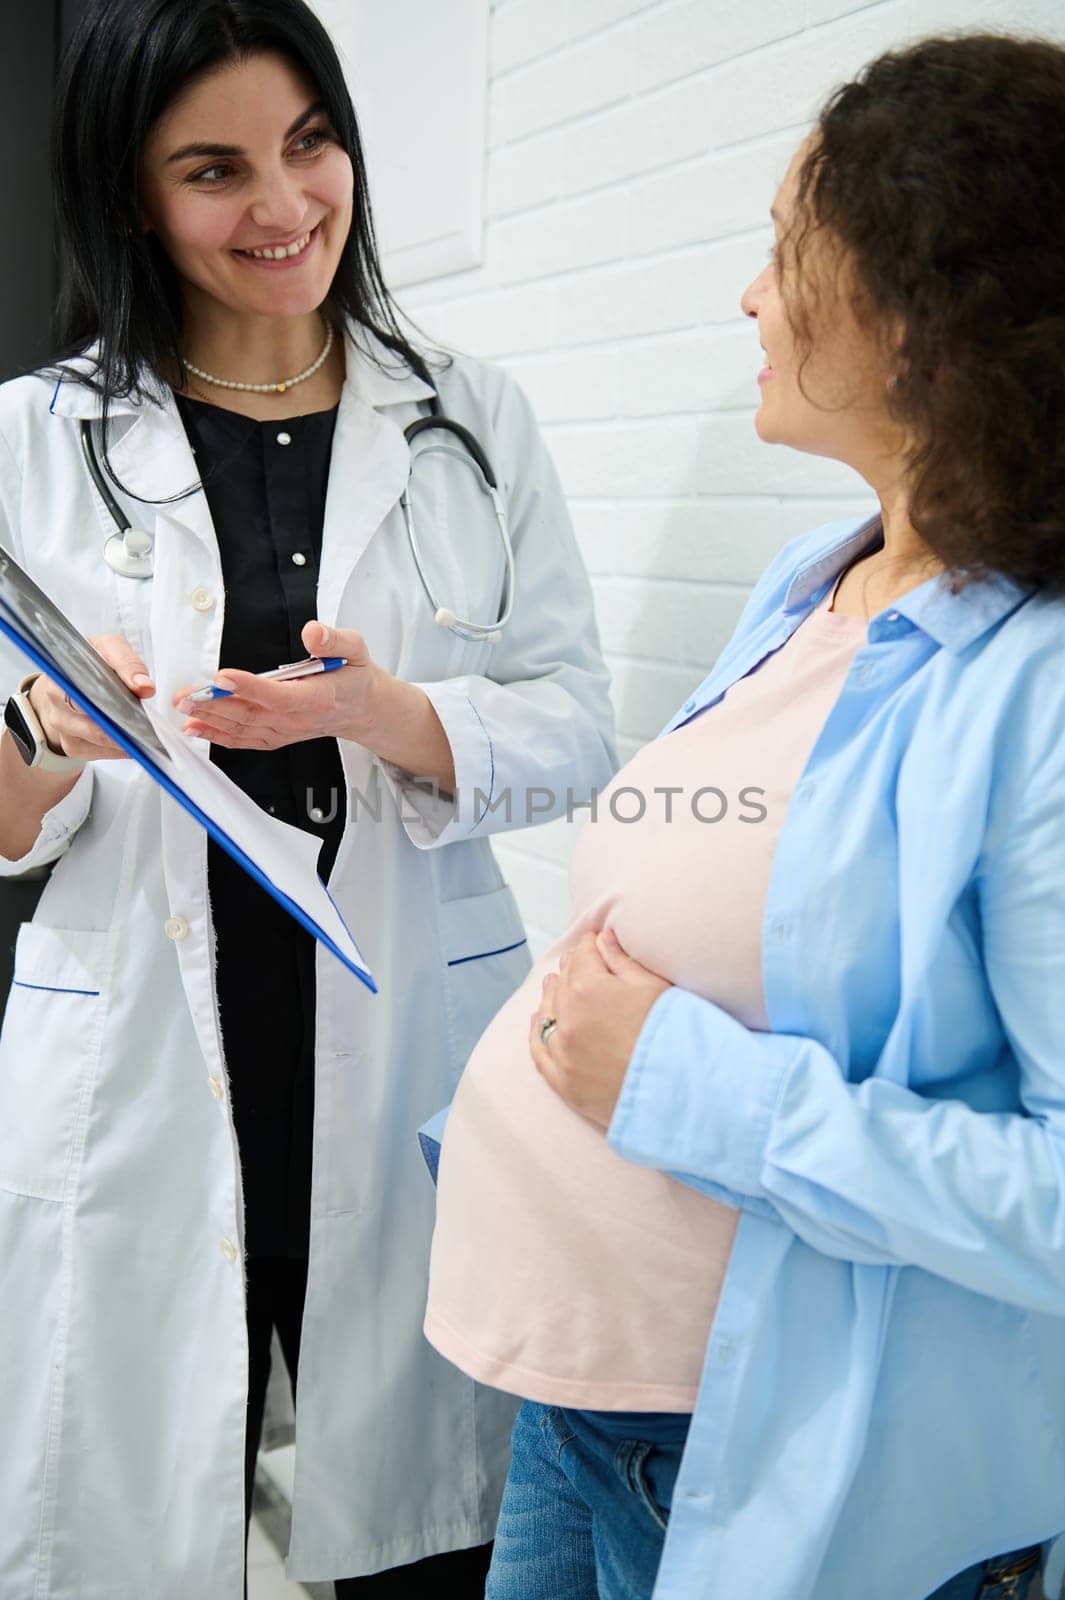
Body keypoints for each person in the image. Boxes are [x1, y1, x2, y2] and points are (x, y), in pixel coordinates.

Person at [424, 32, 1065, 1600]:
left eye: (786, 252)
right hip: (589, 1415)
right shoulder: (822, 583)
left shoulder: (1038, 690)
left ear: (920, 318)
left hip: (761, 1467)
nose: (751, 298)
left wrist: (683, 1088)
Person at [0, 1, 615, 1596]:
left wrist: (392, 715)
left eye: (311, 144)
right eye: (214, 170)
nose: (283, 208)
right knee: (129, 1499)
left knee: (426, 1526)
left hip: (407, 1014)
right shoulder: (31, 440)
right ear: (133, 194)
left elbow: (575, 733)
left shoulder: (470, 418)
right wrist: (57, 741)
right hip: (142, 1033)